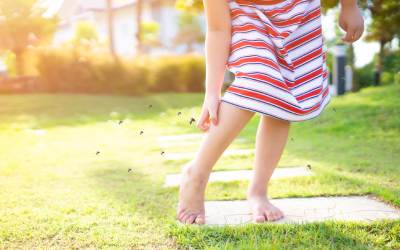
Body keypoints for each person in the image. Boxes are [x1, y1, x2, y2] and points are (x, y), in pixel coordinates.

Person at [177, 0, 364, 224]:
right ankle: (196, 174)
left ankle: (258, 191)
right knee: (257, 78)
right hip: (249, 14)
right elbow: (218, 29)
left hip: (299, 11)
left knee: (286, 96)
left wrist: (349, 6)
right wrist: (212, 92)